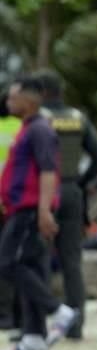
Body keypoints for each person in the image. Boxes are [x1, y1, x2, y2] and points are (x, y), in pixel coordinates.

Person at [0, 77, 78, 350]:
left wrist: (44, 210)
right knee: (29, 265)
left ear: (30, 100)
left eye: (13, 97)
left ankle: (58, 310)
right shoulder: (27, 128)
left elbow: (48, 171)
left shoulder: (40, 130)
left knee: (7, 262)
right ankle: (34, 334)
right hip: (20, 208)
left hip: (30, 209)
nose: (8, 102)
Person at [34, 70, 97, 341]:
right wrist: (79, 181)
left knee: (38, 258)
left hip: (43, 194)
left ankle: (40, 325)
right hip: (71, 191)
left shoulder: (36, 119)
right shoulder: (78, 118)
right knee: (71, 262)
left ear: (39, 93)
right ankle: (75, 325)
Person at [0, 90, 21, 330]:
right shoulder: (21, 127)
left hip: (6, 201)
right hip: (18, 202)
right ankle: (18, 315)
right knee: (18, 258)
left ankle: (5, 314)